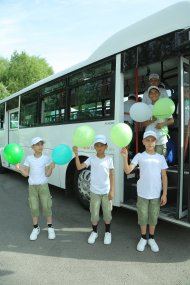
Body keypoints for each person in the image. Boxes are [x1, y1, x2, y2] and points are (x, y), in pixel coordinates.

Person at [121, 130, 168, 252]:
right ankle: (143, 238)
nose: (150, 142)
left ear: (156, 142)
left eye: (152, 140)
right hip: (142, 193)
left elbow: (164, 176)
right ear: (143, 142)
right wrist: (125, 158)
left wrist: (165, 194)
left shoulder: (160, 158)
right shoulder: (139, 156)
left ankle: (151, 238)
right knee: (142, 216)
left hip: (156, 194)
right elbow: (127, 170)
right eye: (148, 140)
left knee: (153, 217)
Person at [72, 134, 114, 245]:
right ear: (94, 147)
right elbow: (79, 167)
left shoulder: (109, 159)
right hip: (94, 192)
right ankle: (94, 232)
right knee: (94, 214)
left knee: (107, 214)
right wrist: (76, 154)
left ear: (106, 146)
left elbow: (111, 175)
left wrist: (112, 190)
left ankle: (108, 232)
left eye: (101, 145)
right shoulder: (91, 159)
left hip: (106, 192)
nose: (99, 147)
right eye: (97, 145)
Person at [15, 137, 56, 241]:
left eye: (41, 144)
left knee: (47, 207)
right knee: (34, 208)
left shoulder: (46, 158)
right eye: (37, 144)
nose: (40, 146)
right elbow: (26, 174)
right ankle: (36, 228)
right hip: (32, 187)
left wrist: (51, 168)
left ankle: (50, 228)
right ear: (32, 147)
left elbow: (47, 174)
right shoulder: (29, 159)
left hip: (43, 186)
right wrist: (19, 169)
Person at [142, 85, 174, 156]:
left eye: (156, 92)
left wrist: (161, 124)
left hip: (161, 138)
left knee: (160, 161)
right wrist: (152, 120)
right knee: (149, 161)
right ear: (149, 96)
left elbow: (171, 120)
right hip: (149, 138)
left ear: (159, 94)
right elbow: (142, 124)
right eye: (151, 93)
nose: (153, 94)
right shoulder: (146, 108)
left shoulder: (164, 106)